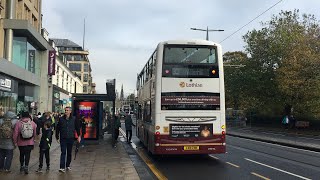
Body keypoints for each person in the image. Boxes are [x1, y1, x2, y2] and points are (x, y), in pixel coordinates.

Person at [56, 107, 81, 173]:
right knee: (63, 152)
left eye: (67, 110)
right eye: (65, 110)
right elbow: (57, 128)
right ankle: (62, 167)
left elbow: (77, 128)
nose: (66, 111)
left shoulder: (74, 119)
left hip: (70, 138)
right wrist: (57, 137)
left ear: (70, 111)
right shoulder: (61, 119)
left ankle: (67, 165)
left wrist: (79, 136)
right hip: (63, 138)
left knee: (69, 152)